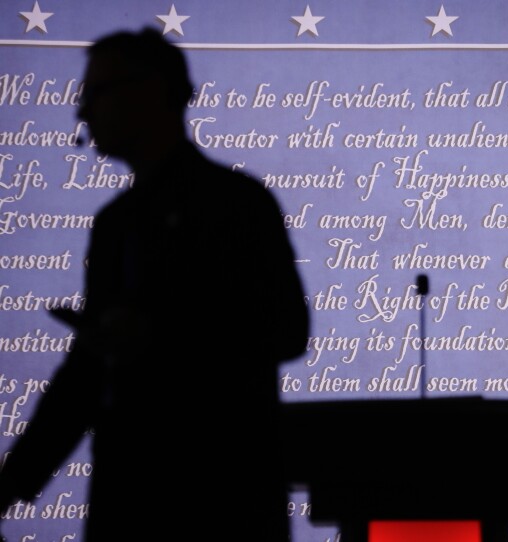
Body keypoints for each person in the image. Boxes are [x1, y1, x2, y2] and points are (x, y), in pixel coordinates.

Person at [0, 28, 309, 541]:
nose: (81, 114)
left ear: (148, 92)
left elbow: (286, 331)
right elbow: (85, 375)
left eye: (94, 93)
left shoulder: (236, 206)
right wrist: (12, 482)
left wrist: (153, 335)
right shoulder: (117, 223)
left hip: (222, 500)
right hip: (135, 500)